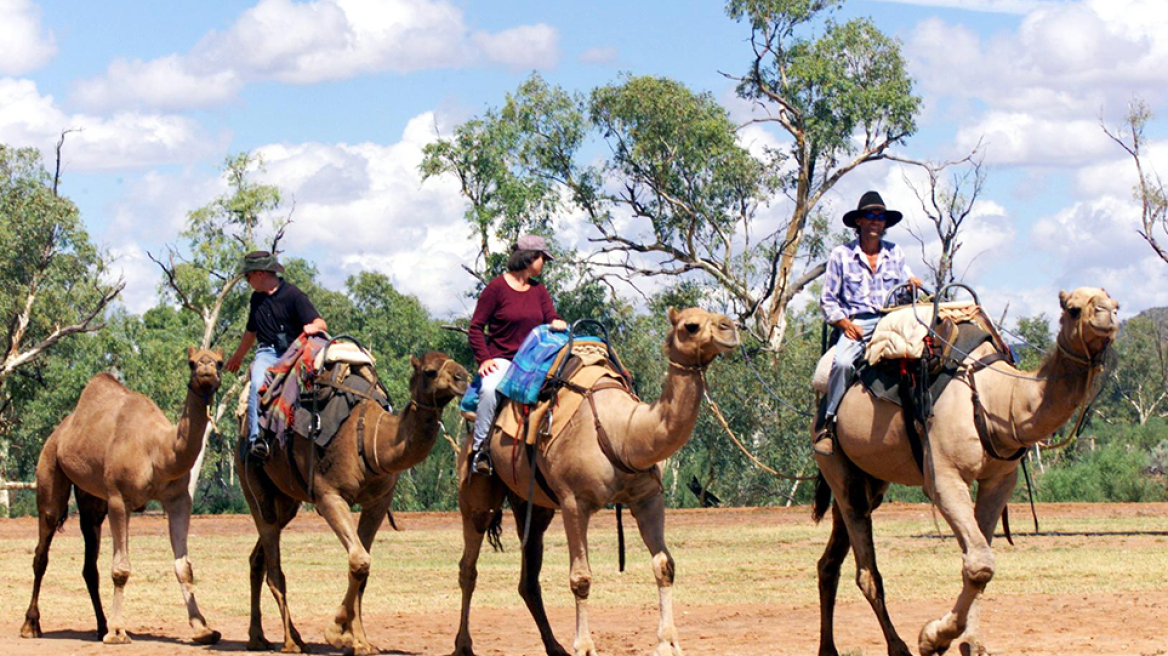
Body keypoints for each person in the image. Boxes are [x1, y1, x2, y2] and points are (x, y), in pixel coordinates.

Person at [815, 191, 922, 456]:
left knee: (924, 353)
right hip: (858, 324)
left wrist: (913, 287)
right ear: (859, 222)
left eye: (880, 217)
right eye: (870, 216)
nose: (876, 221)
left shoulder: (895, 253)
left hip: (892, 321)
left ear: (885, 223)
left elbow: (906, 284)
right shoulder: (841, 255)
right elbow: (827, 299)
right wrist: (843, 323)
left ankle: (925, 419)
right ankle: (829, 424)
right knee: (841, 363)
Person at [467, 235, 567, 475]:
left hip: (534, 361)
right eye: (543, 258)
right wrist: (484, 359)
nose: (544, 263)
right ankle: (480, 452)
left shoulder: (538, 290)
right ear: (531, 257)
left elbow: (550, 315)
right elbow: (476, 328)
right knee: (490, 390)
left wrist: (557, 322)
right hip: (503, 360)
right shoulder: (496, 289)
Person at [224, 251, 327, 461]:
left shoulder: (293, 295)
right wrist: (237, 357)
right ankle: (256, 440)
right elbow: (250, 333)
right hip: (267, 353)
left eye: (248, 276)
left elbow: (321, 324)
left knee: (313, 384)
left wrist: (312, 326)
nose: (247, 280)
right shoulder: (256, 299)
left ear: (260, 273)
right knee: (257, 384)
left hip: (294, 351)